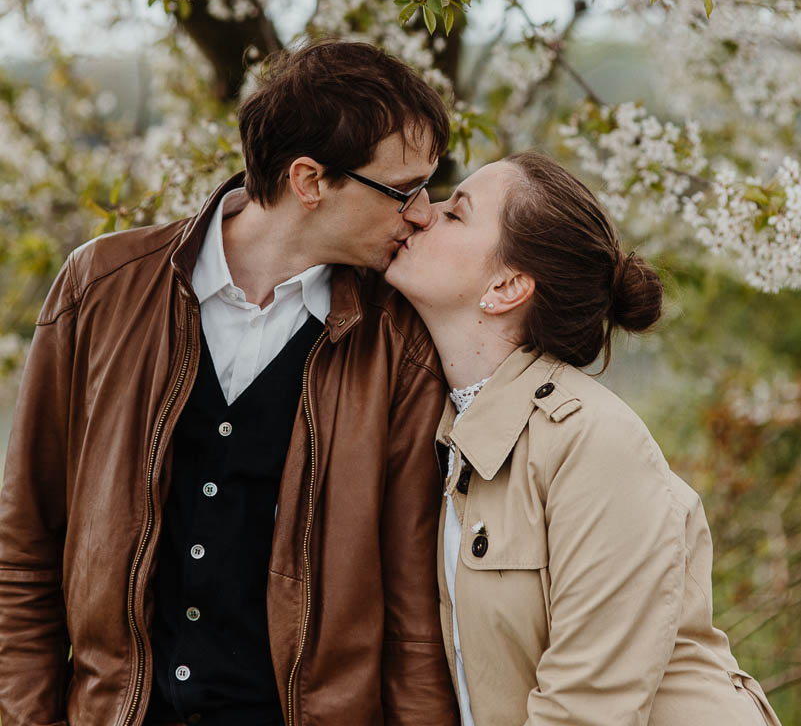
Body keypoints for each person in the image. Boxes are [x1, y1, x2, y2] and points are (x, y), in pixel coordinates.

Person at [0, 40, 460, 726]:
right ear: (309, 181)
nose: (422, 212)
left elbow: (412, 609)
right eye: (403, 190)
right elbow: (24, 549)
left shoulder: (401, 341)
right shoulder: (100, 288)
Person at [385, 150, 782, 726]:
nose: (423, 212)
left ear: (506, 285)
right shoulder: (448, 432)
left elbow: (585, 709)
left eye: (456, 213)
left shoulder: (595, 443)